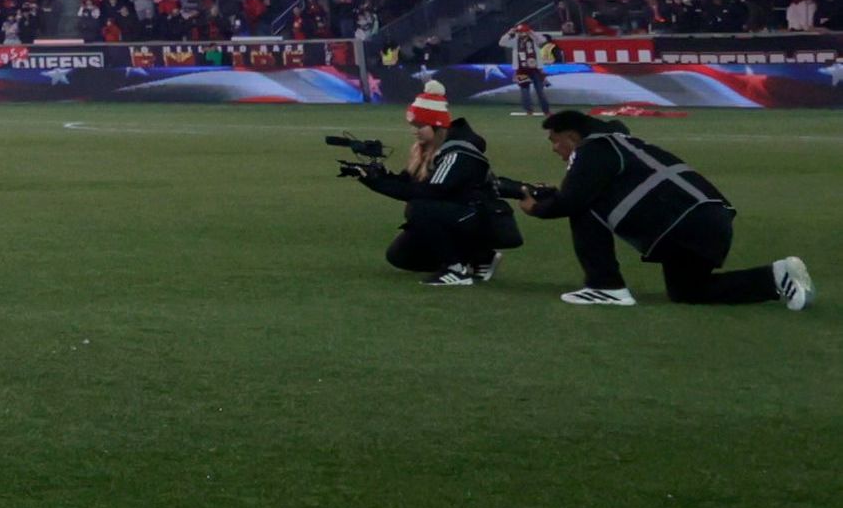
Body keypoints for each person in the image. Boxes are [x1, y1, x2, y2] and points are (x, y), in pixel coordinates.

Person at [510, 109, 812, 311]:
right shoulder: (621, 141)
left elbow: (572, 202)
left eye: (555, 141)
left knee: (585, 208)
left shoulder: (593, 149)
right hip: (710, 219)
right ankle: (777, 276)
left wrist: (535, 207)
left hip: (684, 224)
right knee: (688, 292)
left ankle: (606, 286)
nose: (554, 149)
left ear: (572, 137)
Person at [341, 97, 517, 286]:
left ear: (437, 126)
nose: (414, 131)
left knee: (419, 208)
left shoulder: (458, 152)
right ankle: (479, 257)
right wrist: (373, 175)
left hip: (484, 219)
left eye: (419, 126)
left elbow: (431, 192)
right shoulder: (430, 148)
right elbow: (408, 183)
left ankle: (456, 270)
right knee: (400, 256)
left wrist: (377, 182)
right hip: (463, 215)